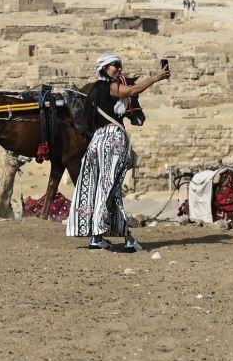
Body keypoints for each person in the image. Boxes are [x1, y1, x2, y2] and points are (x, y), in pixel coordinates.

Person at [68, 54, 171, 252]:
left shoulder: (93, 91)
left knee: (98, 188)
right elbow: (131, 90)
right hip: (111, 141)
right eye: (114, 65)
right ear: (104, 69)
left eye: (119, 65)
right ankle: (128, 238)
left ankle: (97, 237)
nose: (118, 68)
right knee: (111, 189)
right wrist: (156, 78)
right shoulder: (108, 87)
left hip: (96, 141)